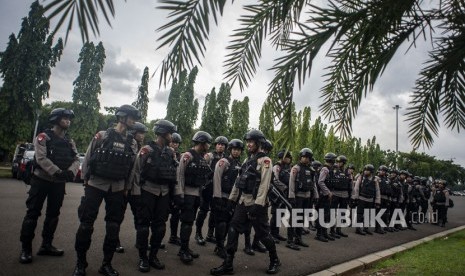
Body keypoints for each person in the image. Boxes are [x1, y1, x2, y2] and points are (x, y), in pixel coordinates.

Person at [73, 104, 140, 276]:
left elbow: (132, 167)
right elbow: (88, 157)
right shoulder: (102, 135)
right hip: (95, 184)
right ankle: (80, 264)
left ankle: (106, 264)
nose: (134, 121)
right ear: (122, 117)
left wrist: (127, 187)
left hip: (117, 187)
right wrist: (85, 180)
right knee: (86, 225)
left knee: (113, 227)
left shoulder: (132, 142)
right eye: (131, 117)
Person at [210, 129, 280, 275]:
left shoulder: (265, 161)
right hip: (243, 201)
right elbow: (238, 181)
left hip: (256, 203)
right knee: (233, 229)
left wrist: (259, 204)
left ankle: (274, 259)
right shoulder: (247, 161)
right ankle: (228, 264)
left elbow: (264, 184)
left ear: (258, 143)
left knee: (263, 235)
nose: (248, 144)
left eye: (251, 142)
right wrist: (231, 199)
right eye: (247, 141)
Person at [19, 108, 80, 264]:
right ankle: (26, 249)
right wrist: (57, 171)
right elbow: (41, 158)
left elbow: (76, 160)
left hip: (58, 184)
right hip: (41, 181)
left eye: (69, 118)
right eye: (65, 118)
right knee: (32, 214)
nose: (68, 121)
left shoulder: (69, 141)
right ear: (56, 119)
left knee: (53, 215)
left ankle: (46, 245)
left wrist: (71, 172)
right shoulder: (43, 137)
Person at [130, 119, 178, 272]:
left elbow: (174, 174)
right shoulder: (147, 150)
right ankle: (143, 257)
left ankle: (153, 256)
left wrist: (174, 195)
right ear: (163, 133)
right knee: (143, 226)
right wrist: (136, 193)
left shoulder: (171, 152)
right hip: (147, 191)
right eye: (170, 133)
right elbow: (136, 172)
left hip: (164, 193)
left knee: (160, 227)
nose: (172, 136)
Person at [174, 131, 212, 264]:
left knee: (190, 222)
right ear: (201, 142)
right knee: (186, 222)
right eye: (207, 143)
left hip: (196, 194)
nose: (208, 145)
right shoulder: (187, 155)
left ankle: (185, 248)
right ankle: (183, 250)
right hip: (187, 194)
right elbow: (180, 175)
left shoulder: (201, 158)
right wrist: (180, 194)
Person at [116, 121, 148, 253]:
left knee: (140, 216)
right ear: (133, 133)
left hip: (137, 188)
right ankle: (115, 242)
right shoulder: (125, 145)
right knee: (117, 216)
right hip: (124, 187)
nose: (142, 135)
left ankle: (140, 242)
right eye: (140, 133)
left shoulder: (145, 149)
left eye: (143, 133)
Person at [212, 138, 244, 259]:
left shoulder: (239, 165)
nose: (236, 152)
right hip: (222, 197)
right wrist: (217, 196)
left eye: (239, 150)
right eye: (234, 149)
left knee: (228, 223)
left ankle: (220, 245)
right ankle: (219, 247)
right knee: (221, 223)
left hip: (232, 199)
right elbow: (217, 178)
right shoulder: (224, 161)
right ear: (230, 149)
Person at [196, 136, 228, 245]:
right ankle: (198, 233)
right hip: (207, 188)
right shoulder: (209, 156)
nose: (220, 146)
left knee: (215, 213)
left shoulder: (226, 158)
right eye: (218, 144)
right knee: (203, 211)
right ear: (215, 145)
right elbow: (200, 170)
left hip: (218, 189)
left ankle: (210, 234)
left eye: (223, 144)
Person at [287, 148, 318, 250]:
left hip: (307, 196)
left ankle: (298, 238)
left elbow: (313, 184)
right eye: (304, 157)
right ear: (300, 157)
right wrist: (291, 196)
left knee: (301, 219)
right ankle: (290, 240)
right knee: (294, 219)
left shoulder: (311, 170)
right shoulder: (296, 168)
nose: (306, 159)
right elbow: (291, 182)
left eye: (307, 158)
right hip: (297, 196)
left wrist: (316, 196)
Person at [270, 150, 292, 243]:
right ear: (283, 157)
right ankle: (271, 234)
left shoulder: (286, 167)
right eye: (287, 157)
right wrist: (285, 187)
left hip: (283, 194)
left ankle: (276, 233)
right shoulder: (277, 167)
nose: (289, 159)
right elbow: (275, 180)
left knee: (281, 213)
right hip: (277, 194)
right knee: (276, 214)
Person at [352, 164, 381, 235]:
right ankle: (358, 229)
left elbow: (377, 191)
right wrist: (355, 198)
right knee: (359, 214)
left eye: (367, 170)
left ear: (371, 171)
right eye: (365, 170)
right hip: (361, 198)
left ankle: (366, 228)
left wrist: (377, 201)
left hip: (370, 200)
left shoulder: (375, 179)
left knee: (368, 214)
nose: (365, 171)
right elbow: (356, 188)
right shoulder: (360, 178)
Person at [315, 152, 338, 242]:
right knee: (322, 215)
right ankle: (319, 234)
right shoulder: (325, 169)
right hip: (323, 196)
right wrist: (328, 192)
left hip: (327, 196)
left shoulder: (330, 169)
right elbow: (320, 182)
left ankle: (324, 233)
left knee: (326, 215)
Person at [328, 155, 351, 238]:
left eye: (339, 162)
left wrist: (350, 195)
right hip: (335, 193)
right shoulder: (333, 170)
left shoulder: (347, 172)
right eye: (337, 162)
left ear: (343, 163)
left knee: (342, 212)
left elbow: (350, 183)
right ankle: (332, 230)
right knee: (333, 212)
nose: (337, 163)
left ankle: (339, 230)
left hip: (344, 194)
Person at [168, 132, 182, 246]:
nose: (174, 144)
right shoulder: (163, 152)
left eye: (176, 142)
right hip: (163, 187)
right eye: (173, 142)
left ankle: (173, 236)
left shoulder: (180, 156)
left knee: (176, 213)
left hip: (175, 188)